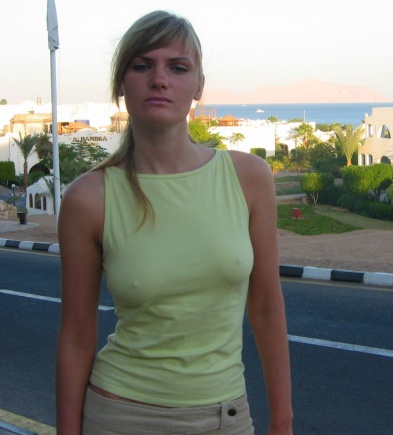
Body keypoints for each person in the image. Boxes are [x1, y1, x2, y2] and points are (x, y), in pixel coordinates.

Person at [56, 10, 293, 435]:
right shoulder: (89, 199)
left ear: (198, 85)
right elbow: (76, 336)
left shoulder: (249, 178)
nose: (159, 79)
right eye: (142, 65)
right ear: (121, 83)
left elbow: (266, 306)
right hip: (119, 417)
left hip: (225, 418)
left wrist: (283, 420)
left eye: (178, 67)